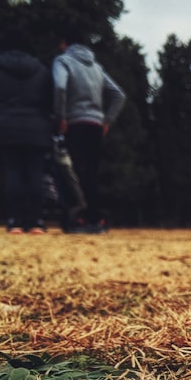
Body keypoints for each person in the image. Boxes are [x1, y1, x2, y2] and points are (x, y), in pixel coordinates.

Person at [0, 28, 53, 234]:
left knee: (12, 170)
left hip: (4, 123)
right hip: (37, 125)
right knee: (35, 171)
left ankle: (15, 220)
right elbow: (51, 98)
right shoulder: (41, 69)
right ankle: (35, 221)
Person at [52, 25, 126, 233]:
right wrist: (107, 120)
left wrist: (61, 116)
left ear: (64, 43)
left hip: (74, 122)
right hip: (95, 124)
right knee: (90, 173)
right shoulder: (96, 67)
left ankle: (77, 217)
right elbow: (118, 94)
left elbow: (59, 86)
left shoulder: (63, 61)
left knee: (72, 173)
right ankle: (95, 218)